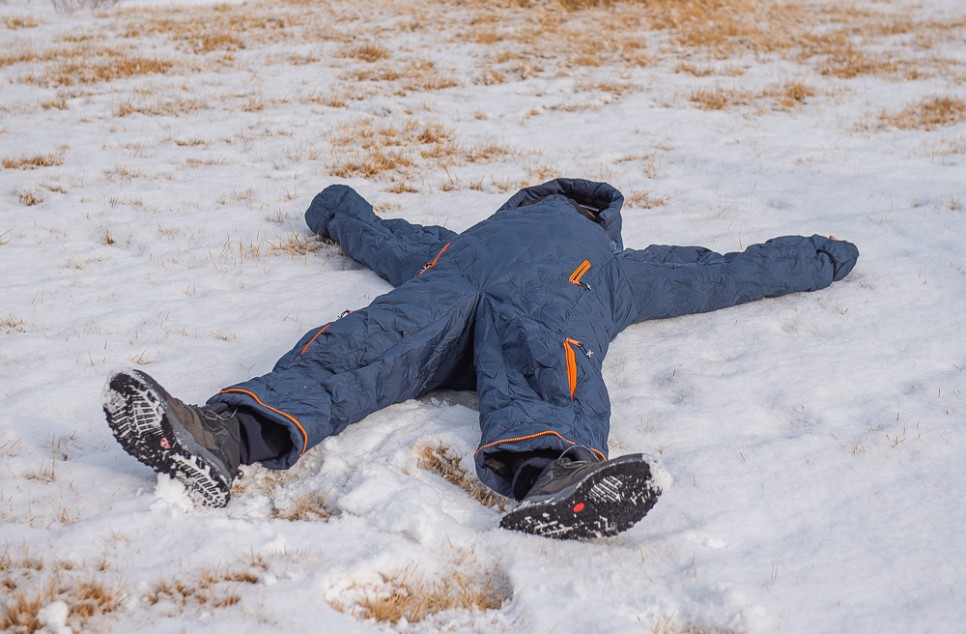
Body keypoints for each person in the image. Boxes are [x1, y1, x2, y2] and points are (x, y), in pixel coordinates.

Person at [103, 178, 859, 540]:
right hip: (453, 289)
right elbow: (386, 237)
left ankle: (558, 478)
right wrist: (341, 213)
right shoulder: (463, 240)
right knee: (359, 347)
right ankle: (221, 436)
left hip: (542, 304)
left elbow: (721, 272)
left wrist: (815, 257)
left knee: (540, 365)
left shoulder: (613, 263)